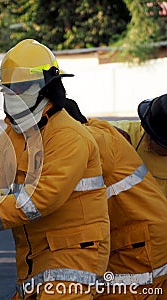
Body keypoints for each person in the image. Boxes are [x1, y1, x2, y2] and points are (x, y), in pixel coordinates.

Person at [0, 39, 110, 299]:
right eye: (7, 89)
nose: (12, 96)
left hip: (75, 257)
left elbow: (43, 196)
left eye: (21, 88)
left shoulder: (68, 135)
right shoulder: (10, 138)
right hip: (34, 258)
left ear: (48, 88)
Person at [65, 98, 167, 299]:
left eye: (159, 142)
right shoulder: (121, 134)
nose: (150, 142)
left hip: (147, 243)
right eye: (148, 132)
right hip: (130, 239)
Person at [110, 94, 167, 196]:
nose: (148, 142)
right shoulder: (126, 134)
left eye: (156, 140)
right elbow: (89, 131)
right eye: (147, 133)